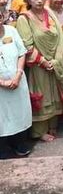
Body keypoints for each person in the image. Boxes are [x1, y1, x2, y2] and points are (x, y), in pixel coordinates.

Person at [16, 0, 63, 141]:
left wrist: (56, 60)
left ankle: (53, 126)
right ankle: (39, 131)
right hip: (38, 66)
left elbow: (60, 38)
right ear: (28, 0)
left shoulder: (49, 13)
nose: (39, 1)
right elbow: (27, 45)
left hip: (55, 63)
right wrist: (43, 61)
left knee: (54, 93)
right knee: (42, 95)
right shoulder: (24, 18)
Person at [0, 9, 32, 159]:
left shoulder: (11, 31)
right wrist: (2, 82)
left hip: (17, 81)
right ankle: (3, 147)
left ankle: (19, 143)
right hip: (1, 87)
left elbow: (21, 52)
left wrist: (18, 74)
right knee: (2, 116)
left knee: (19, 113)